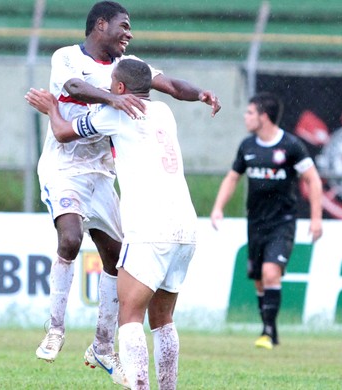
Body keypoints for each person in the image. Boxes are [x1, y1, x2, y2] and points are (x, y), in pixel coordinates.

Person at [34, 1, 220, 386]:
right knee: (72, 241)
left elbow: (166, 86)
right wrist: (113, 98)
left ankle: (107, 352)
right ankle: (57, 329)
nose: (129, 33)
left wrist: (52, 108)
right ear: (100, 24)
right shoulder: (70, 58)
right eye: (124, 25)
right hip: (72, 171)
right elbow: (74, 86)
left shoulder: (125, 89)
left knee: (123, 288)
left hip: (112, 184)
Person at [210, 92, 323, 350]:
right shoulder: (247, 146)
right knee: (260, 278)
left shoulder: (291, 146)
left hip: (282, 221)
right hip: (255, 222)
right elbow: (232, 178)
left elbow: (313, 179)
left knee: (271, 272)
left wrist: (316, 218)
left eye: (250, 112)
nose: (245, 117)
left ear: (263, 116)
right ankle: (268, 330)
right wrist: (218, 208)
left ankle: (269, 332)